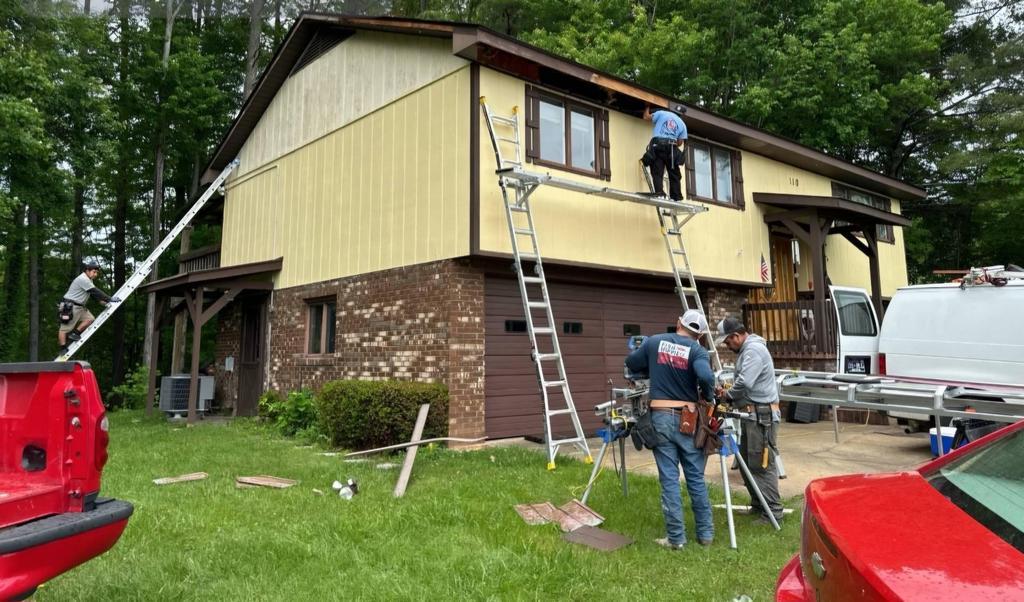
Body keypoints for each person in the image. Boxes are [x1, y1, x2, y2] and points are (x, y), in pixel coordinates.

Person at [625, 309, 716, 550]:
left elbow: (631, 363)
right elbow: (706, 376)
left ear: (678, 323)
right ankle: (705, 535)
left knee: (669, 479)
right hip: (688, 418)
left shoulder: (654, 342)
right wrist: (708, 396)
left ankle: (676, 539)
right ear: (700, 335)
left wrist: (652, 366)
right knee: (695, 477)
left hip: (661, 416)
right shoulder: (697, 350)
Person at [714, 315, 784, 524]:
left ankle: (774, 512)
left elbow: (745, 382)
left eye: (728, 341)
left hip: (762, 416)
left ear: (737, 336)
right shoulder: (748, 350)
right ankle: (758, 505)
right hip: (754, 414)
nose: (727, 346)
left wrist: (727, 396)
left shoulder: (753, 350)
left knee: (762, 464)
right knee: (747, 462)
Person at [58, 261, 119, 352]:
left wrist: (101, 301)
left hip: (80, 307)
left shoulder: (89, 280)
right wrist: (109, 299)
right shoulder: (83, 279)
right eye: (94, 272)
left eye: (97, 272)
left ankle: (75, 333)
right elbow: (95, 291)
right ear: (87, 270)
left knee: (90, 319)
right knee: (64, 329)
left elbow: (92, 294)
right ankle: (62, 348)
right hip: (69, 307)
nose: (96, 274)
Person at [642, 103, 688, 201]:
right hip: (671, 148)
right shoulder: (682, 125)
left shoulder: (662, 113)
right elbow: (680, 143)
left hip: (658, 145)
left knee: (657, 171)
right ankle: (676, 197)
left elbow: (646, 117)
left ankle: (659, 193)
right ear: (682, 114)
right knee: (674, 173)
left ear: (673, 110)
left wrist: (646, 106)